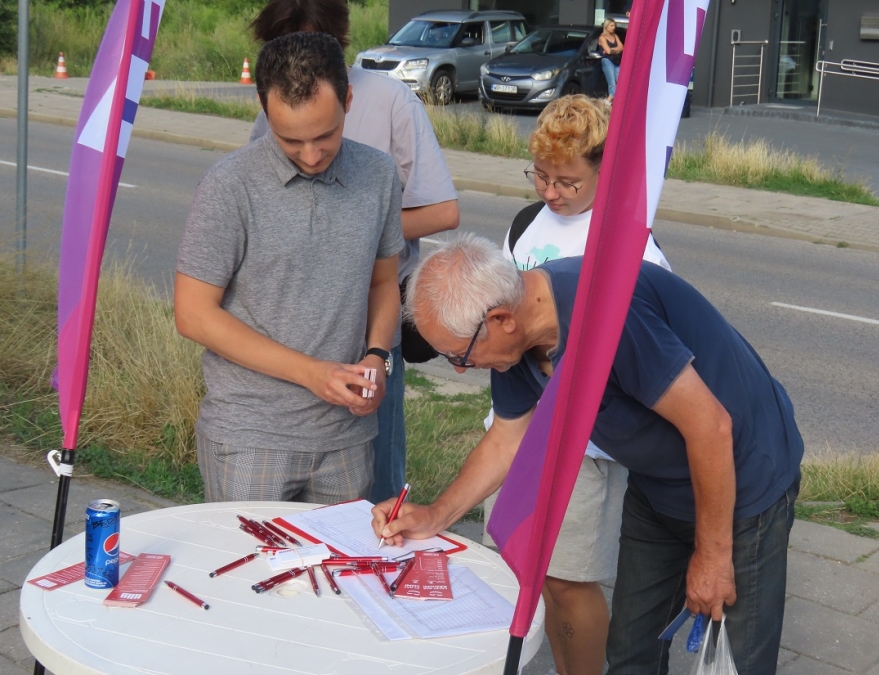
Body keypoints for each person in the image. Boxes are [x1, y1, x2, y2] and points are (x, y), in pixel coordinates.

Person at [375, 234, 804, 675]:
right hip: (658, 486)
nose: (461, 369)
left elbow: (711, 427)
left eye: (459, 355)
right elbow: (506, 439)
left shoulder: (608, 315)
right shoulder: (515, 344)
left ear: (502, 319)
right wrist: (436, 514)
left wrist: (712, 556)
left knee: (736, 661)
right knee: (631, 651)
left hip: (743, 481)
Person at [174, 32, 405, 504]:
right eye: (290, 140)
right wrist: (312, 374)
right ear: (264, 109)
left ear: (348, 100)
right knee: (247, 557)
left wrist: (377, 357)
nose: (311, 155)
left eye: (325, 135)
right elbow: (193, 314)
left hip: (347, 437)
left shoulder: (379, 174)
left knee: (340, 558)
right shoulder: (228, 186)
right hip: (249, 438)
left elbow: (383, 283)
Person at [484, 94, 670, 675]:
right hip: (516, 428)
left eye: (567, 182)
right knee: (511, 566)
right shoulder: (525, 224)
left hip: (586, 445)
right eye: (540, 176)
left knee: (567, 581)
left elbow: (646, 354)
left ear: (604, 172)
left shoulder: (629, 241)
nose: (550, 192)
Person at [248, 0, 460, 504]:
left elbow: (444, 210)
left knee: (375, 479)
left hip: (370, 324)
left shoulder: (389, 100)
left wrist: (359, 230)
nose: (311, 153)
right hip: (297, 325)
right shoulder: (276, 103)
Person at [597, 18, 623, 100]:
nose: (613, 27)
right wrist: (616, 50)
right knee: (612, 84)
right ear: (606, 26)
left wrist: (612, 50)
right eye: (611, 26)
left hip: (616, 61)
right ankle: (608, 102)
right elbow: (608, 51)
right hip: (607, 61)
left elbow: (622, 47)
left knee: (621, 82)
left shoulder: (615, 36)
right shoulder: (602, 38)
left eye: (614, 26)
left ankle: (609, 102)